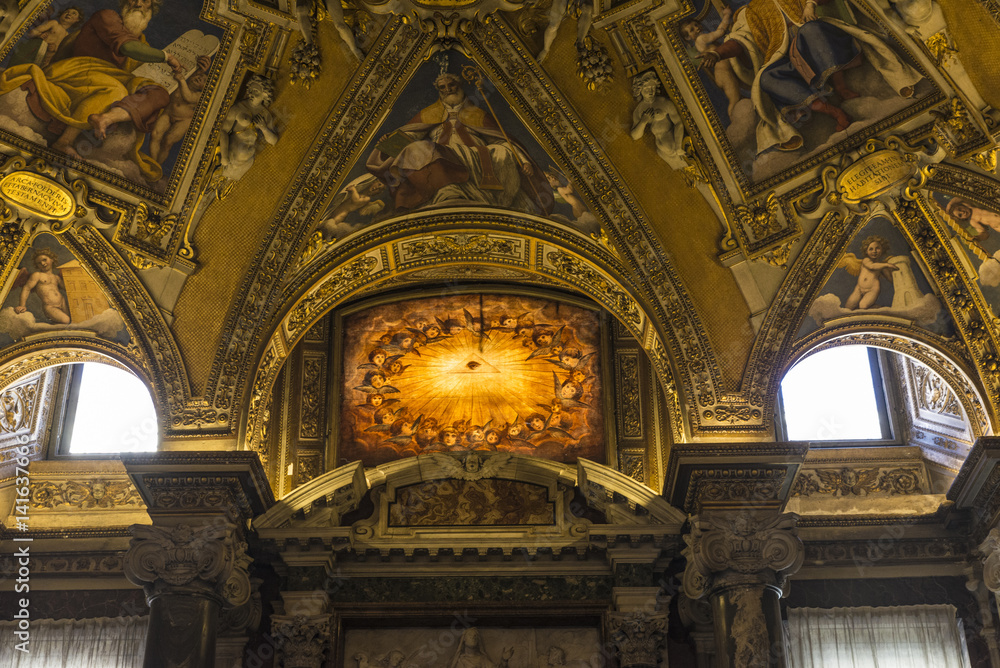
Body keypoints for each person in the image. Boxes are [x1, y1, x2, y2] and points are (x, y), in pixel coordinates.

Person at [699, 0, 923, 153]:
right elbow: (739, 40)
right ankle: (834, 112)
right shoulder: (750, 12)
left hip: (813, 36)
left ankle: (841, 87)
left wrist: (810, 3)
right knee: (767, 78)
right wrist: (717, 53)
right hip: (783, 55)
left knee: (811, 30)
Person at [0, 0, 185, 180]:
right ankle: (64, 142)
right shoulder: (107, 17)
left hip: (114, 76)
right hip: (77, 69)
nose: (137, 4)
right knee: (115, 90)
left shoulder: (143, 45)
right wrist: (166, 57)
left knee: (159, 93)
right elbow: (127, 46)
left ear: (152, 7)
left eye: (145, 1)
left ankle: (106, 118)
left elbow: (137, 65)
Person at [366, 72, 553, 215]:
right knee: (418, 148)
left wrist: (524, 161)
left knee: (502, 151)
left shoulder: (477, 114)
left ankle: (480, 195)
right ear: (439, 91)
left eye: (451, 85)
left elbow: (501, 139)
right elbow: (411, 134)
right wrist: (386, 147)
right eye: (443, 87)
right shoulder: (429, 113)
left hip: (476, 155)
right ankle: (448, 192)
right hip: (441, 152)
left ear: (460, 85)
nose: (448, 89)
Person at [680, 10, 744, 119]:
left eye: (696, 25)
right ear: (688, 38)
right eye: (692, 30)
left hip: (723, 72)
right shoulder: (701, 39)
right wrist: (727, 15)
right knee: (734, 100)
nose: (696, 28)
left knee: (737, 98)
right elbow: (720, 31)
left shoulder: (699, 41)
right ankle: (734, 121)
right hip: (724, 73)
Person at [147, 58, 210, 165]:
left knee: (168, 141)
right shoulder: (180, 83)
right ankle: (153, 163)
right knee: (155, 134)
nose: (200, 78)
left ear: (204, 87)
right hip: (168, 113)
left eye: (204, 80)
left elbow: (188, 97)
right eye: (199, 76)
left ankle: (158, 165)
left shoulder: (198, 95)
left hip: (184, 120)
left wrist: (181, 80)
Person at [219, 75, 278, 184]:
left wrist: (264, 129)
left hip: (247, 161)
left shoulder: (265, 114)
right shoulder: (238, 108)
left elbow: (273, 140)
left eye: (256, 91)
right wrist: (224, 156)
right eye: (250, 90)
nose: (251, 94)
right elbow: (223, 131)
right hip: (232, 155)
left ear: (265, 94)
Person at [630, 71, 685, 168]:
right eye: (647, 88)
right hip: (661, 152)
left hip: (674, 147)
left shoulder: (664, 103)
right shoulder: (639, 109)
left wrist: (678, 147)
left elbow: (678, 123)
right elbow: (635, 136)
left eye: (653, 87)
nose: (651, 91)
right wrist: (643, 121)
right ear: (640, 89)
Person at [16, 6, 83, 68]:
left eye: (74, 13)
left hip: (47, 60)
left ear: (77, 19)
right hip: (36, 51)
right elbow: (32, 32)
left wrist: (54, 49)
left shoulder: (67, 36)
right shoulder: (54, 23)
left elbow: (60, 52)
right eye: (66, 12)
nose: (69, 14)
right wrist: (39, 35)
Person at [14, 249, 70, 324]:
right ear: (37, 265)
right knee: (66, 320)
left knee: (70, 321)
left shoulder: (56, 277)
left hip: (62, 303)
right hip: (50, 306)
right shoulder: (37, 275)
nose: (43, 263)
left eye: (44, 260)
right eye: (39, 263)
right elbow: (26, 288)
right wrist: (22, 305)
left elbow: (68, 289)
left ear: (52, 259)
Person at [843, 235, 899, 309]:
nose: (874, 251)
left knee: (863, 306)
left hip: (873, 289)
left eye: (877, 248)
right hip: (859, 289)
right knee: (848, 307)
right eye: (871, 249)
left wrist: (898, 283)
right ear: (866, 251)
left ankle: (876, 307)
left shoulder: (882, 266)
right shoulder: (866, 260)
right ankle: (873, 306)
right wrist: (887, 264)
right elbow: (872, 266)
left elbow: (889, 278)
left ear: (883, 249)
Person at [448, 628, 513, 668]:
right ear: (464, 639)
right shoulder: (459, 660)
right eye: (470, 635)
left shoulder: (482, 659)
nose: (473, 637)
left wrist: (504, 660)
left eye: (475, 636)